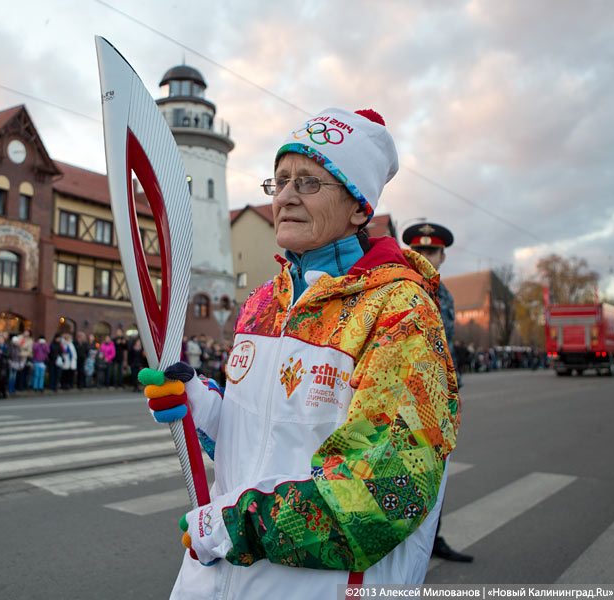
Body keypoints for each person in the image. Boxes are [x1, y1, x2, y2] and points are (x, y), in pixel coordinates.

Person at [139, 108, 460, 597]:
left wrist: (238, 527)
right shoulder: (264, 302)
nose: (285, 196)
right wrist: (199, 406)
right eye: (280, 181)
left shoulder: (399, 313)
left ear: (358, 208)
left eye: (308, 182)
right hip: (214, 580)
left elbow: (382, 495)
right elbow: (257, 438)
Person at [403, 221, 473, 563]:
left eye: (432, 251)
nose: (427, 256)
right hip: (403, 397)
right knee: (401, 475)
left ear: (443, 256)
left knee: (437, 473)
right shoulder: (399, 286)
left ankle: (433, 539)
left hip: (439, 398)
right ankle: (401, 548)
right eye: (421, 250)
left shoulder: (444, 294)